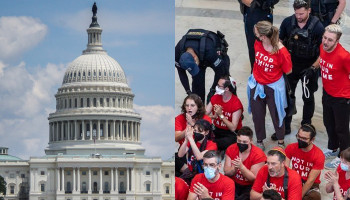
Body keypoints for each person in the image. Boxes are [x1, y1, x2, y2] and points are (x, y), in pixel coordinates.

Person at [278, 0, 324, 139]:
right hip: (291, 67)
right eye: (296, 13)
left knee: (308, 97)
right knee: (287, 96)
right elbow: (279, 42)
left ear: (309, 11)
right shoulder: (287, 22)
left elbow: (324, 53)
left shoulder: (318, 27)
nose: (298, 16)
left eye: (301, 13)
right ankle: (286, 126)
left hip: (309, 67)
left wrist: (313, 68)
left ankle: (306, 125)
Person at [247, 21, 292, 150]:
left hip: (273, 87)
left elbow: (288, 70)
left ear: (264, 36)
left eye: (256, 33)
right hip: (257, 84)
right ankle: (260, 140)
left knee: (277, 114)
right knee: (257, 114)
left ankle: (281, 140)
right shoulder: (257, 44)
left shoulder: (282, 52)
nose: (255, 36)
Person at [313, 24, 350, 169]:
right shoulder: (323, 48)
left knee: (342, 129)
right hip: (327, 92)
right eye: (324, 38)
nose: (325, 42)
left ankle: (344, 156)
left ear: (337, 41)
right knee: (329, 122)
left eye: (330, 40)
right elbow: (321, 58)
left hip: (341, 98)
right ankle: (333, 148)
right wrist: (313, 67)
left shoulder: (344, 56)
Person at [175, 29, 230, 103]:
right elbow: (181, 72)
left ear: (194, 58)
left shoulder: (210, 51)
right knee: (197, 85)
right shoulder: (177, 53)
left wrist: (213, 90)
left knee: (224, 82)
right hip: (200, 55)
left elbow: (220, 72)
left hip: (212, 53)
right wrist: (188, 91)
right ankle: (199, 108)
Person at [224, 126, 267, 200]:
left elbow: (254, 179)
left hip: (249, 186)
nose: (241, 143)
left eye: (244, 142)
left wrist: (241, 167)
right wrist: (234, 168)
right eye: (239, 141)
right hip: (233, 182)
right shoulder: (231, 149)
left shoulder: (258, 155)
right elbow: (226, 172)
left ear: (251, 141)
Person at [175, 94, 212, 177]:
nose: (189, 108)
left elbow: (208, 137)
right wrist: (187, 130)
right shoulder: (180, 118)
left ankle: (189, 172)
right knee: (175, 159)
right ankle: (188, 171)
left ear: (198, 107)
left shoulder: (205, 118)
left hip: (200, 148)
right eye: (187, 105)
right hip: (185, 147)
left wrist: (193, 124)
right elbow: (176, 138)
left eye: (192, 105)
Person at [285, 124, 325, 200]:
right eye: (298, 136)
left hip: (311, 184)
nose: (300, 140)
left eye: (304, 138)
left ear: (312, 139)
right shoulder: (290, 147)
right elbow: (285, 169)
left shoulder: (319, 155)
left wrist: (298, 197)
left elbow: (311, 180)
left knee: (315, 197)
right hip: (294, 179)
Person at [206, 75, 243, 152]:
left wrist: (221, 115)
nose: (216, 87)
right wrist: (214, 116)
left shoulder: (236, 104)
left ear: (227, 89)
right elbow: (204, 115)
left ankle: (216, 148)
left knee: (219, 143)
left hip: (230, 133)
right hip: (216, 129)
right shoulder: (216, 97)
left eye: (219, 86)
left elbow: (233, 128)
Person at [237, 0, 278, 69]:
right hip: (250, 13)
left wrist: (265, 3)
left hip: (264, 11)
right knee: (252, 45)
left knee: (266, 41)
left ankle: (265, 68)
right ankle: (255, 70)